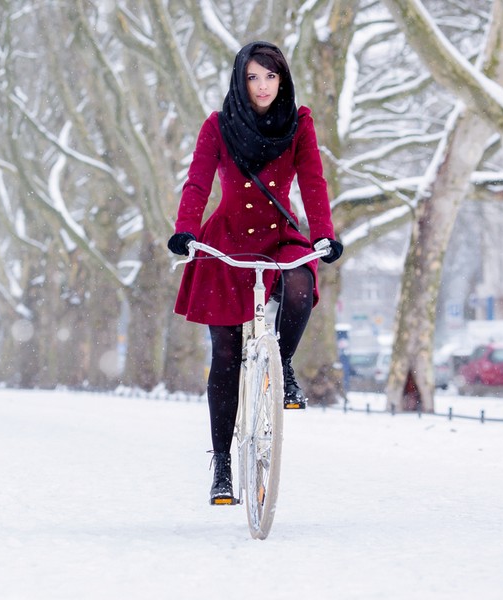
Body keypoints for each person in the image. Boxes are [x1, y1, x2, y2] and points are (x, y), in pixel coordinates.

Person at [166, 41, 343, 505]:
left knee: (302, 285)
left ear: (282, 80)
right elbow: (198, 182)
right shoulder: (218, 125)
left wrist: (323, 234)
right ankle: (223, 465)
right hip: (225, 239)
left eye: (270, 76)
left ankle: (282, 364)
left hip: (279, 232)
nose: (262, 86)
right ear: (239, 81)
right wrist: (185, 230)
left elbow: (313, 180)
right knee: (225, 351)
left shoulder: (299, 123)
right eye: (253, 77)